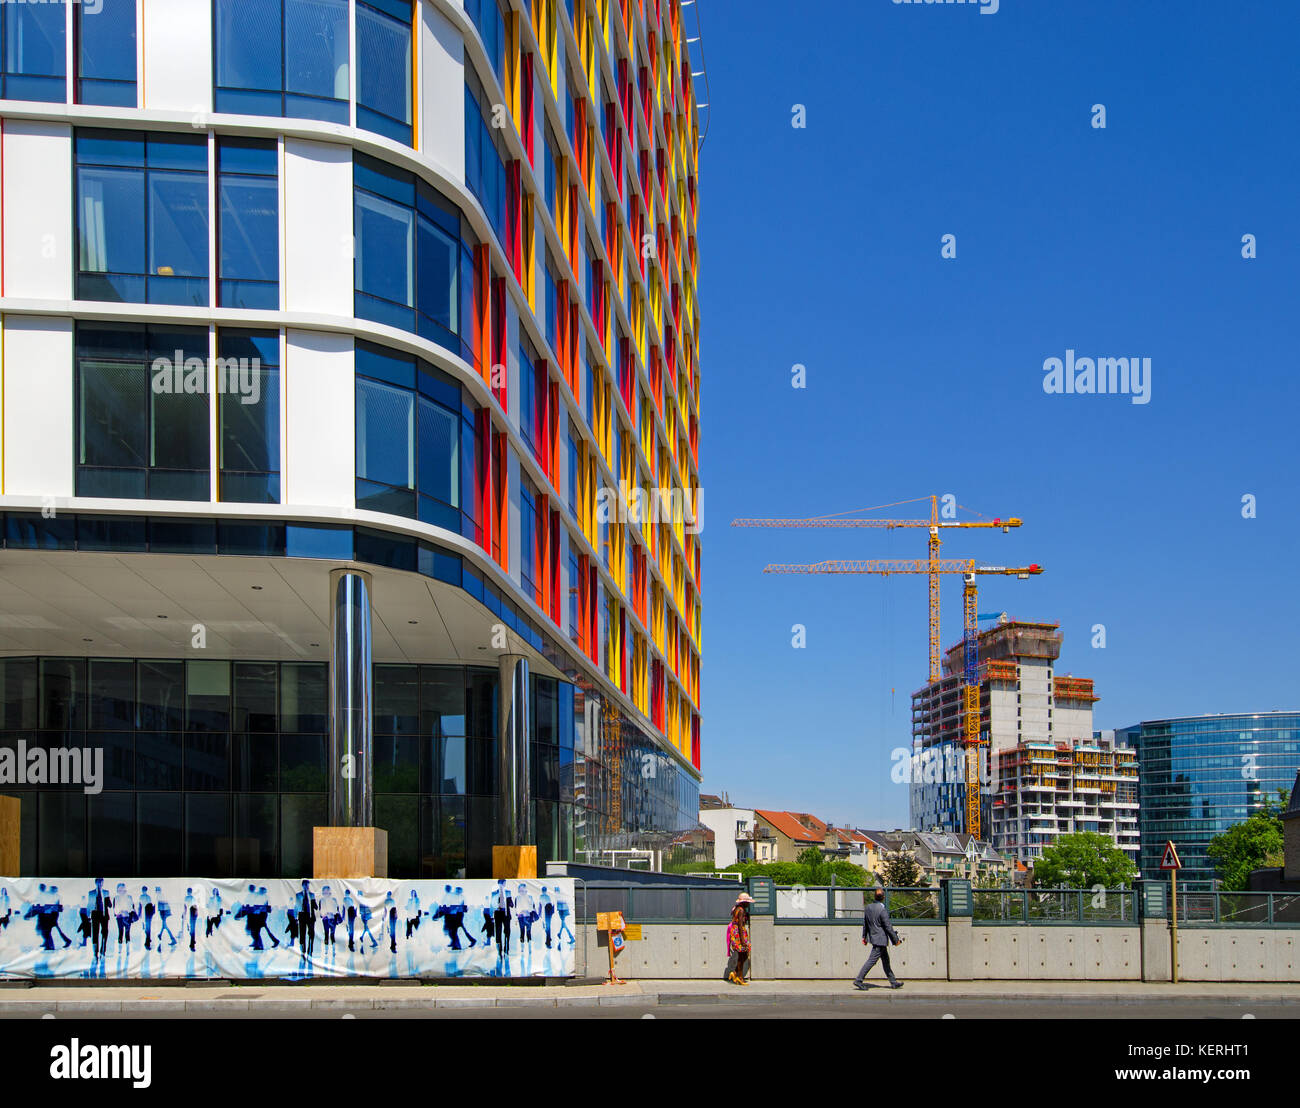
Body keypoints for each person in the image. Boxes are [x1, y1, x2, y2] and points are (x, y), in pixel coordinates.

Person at [854, 887, 904, 990]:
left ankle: (893, 982)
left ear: (874, 897)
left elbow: (865, 924)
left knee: (886, 961)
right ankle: (858, 980)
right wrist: (896, 940)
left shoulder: (868, 908)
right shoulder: (882, 910)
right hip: (880, 940)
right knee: (871, 961)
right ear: (883, 897)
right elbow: (888, 927)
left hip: (874, 938)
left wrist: (864, 937)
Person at [724, 893, 753, 985]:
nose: (749, 904)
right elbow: (740, 925)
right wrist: (743, 941)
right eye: (747, 902)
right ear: (743, 902)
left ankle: (735, 973)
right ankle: (739, 977)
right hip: (739, 933)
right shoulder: (741, 910)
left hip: (735, 932)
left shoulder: (737, 908)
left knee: (743, 955)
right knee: (742, 955)